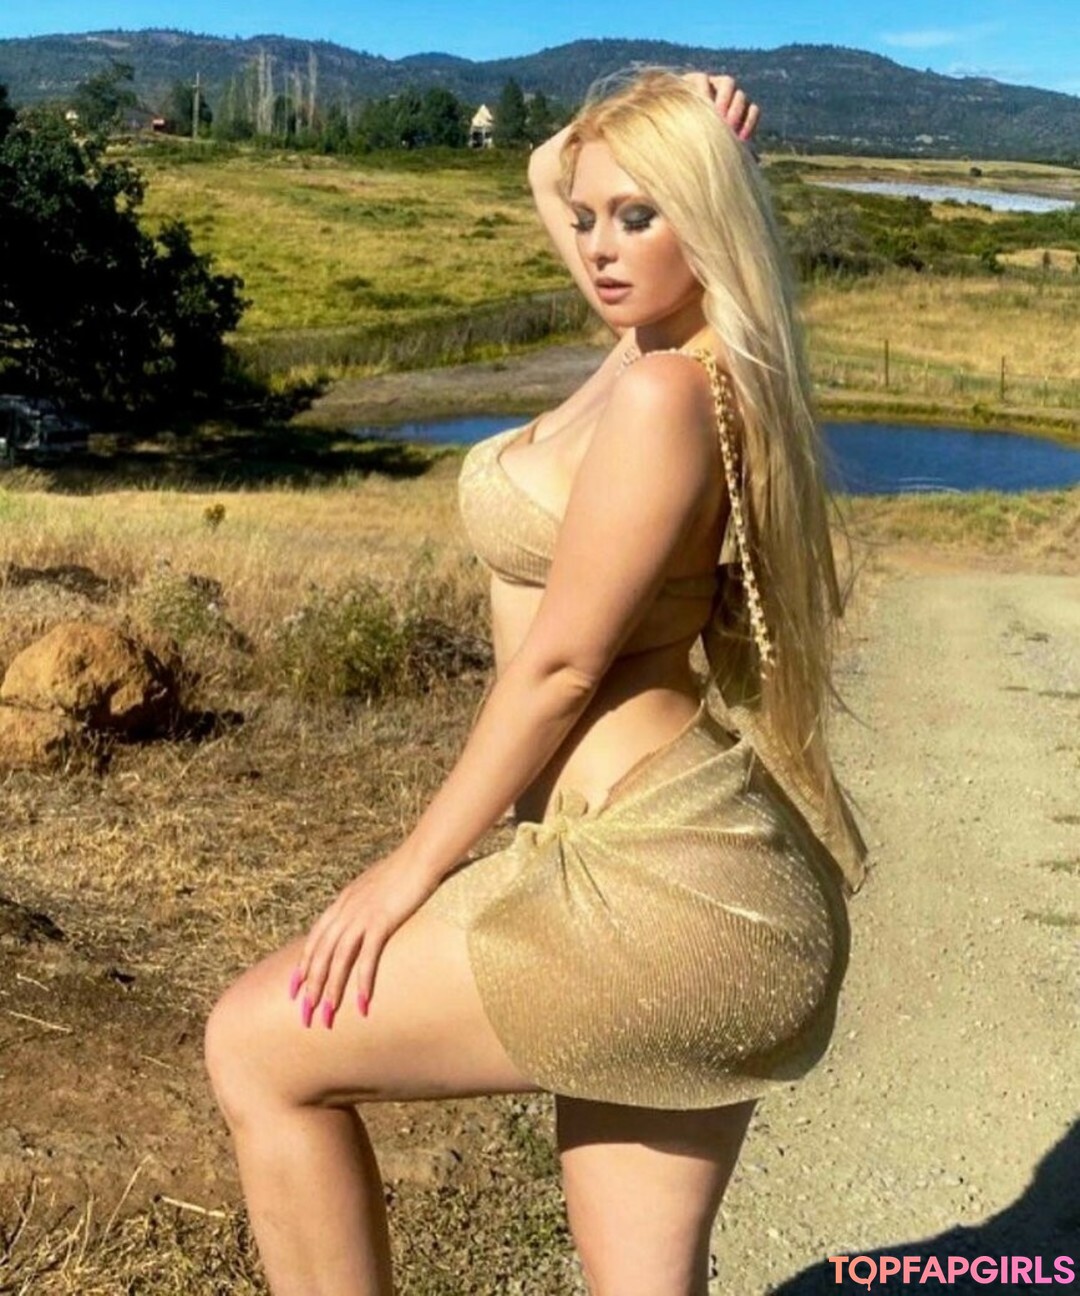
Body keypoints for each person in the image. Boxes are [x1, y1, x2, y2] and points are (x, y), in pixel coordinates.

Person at [205, 68, 869, 1296]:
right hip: (700, 891)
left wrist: (410, 871)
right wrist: (650, 126)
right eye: (592, 217)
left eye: (642, 216)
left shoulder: (667, 390)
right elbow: (542, 173)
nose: (601, 246)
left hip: (652, 884)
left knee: (255, 1047)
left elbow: (560, 669)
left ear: (707, 220)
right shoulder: (657, 349)